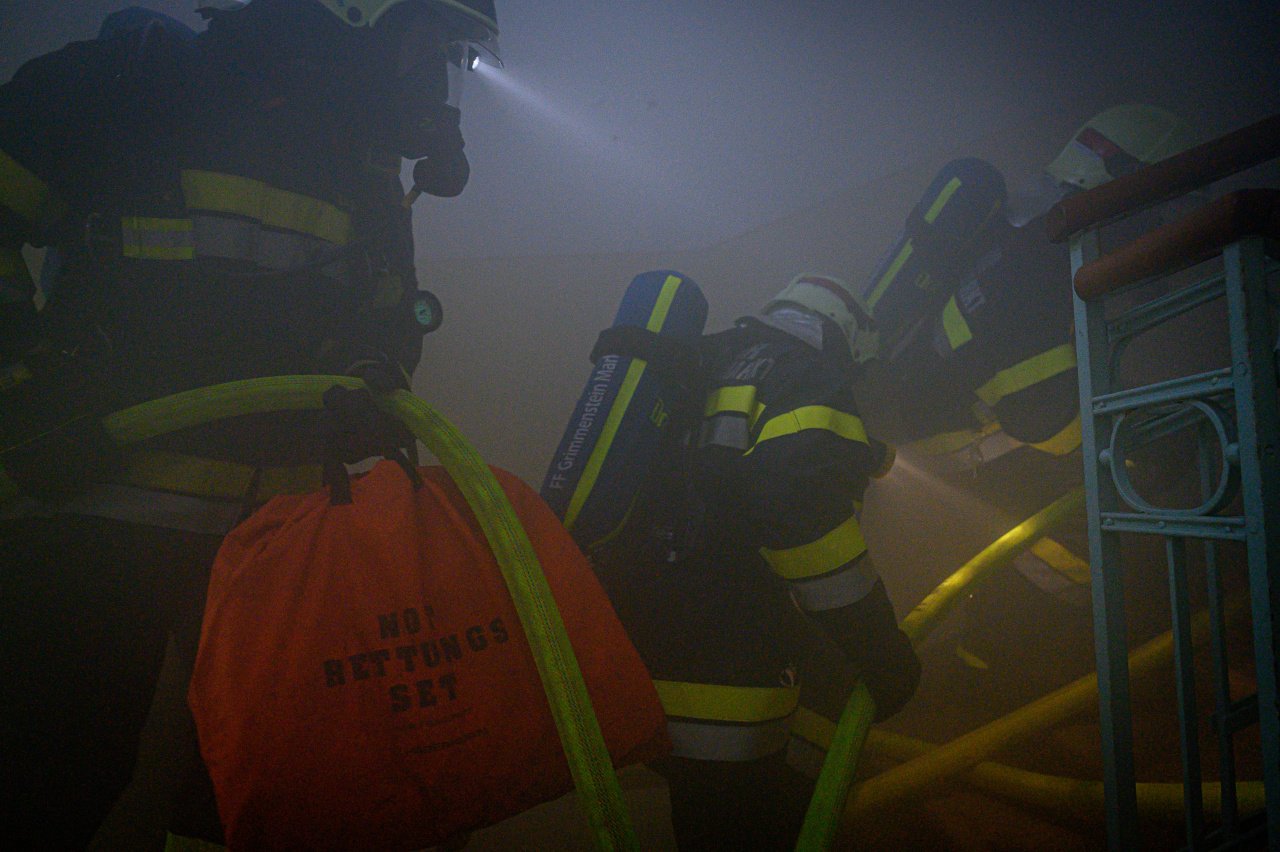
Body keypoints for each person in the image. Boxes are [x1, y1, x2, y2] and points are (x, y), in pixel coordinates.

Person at [0, 1, 499, 847]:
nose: (434, 75)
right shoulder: (124, 86)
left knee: (257, 794)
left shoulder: (362, 167)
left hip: (274, 549)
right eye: (431, 42)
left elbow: (389, 319)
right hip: (89, 518)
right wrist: (20, 393)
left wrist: (373, 377)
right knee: (51, 781)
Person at [859, 105, 1196, 688]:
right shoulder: (1039, 263)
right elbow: (1043, 415)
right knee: (1095, 536)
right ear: (1125, 192)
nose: (1162, 228)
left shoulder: (1025, 240)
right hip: (975, 453)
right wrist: (1143, 440)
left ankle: (1007, 656)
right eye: (1158, 211)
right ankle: (1015, 667)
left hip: (964, 441)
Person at [591, 273, 921, 850]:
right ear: (845, 334)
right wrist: (881, 651)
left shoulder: (704, 357)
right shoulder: (806, 375)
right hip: (727, 681)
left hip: (639, 651)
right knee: (745, 826)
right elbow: (802, 521)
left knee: (703, 814)